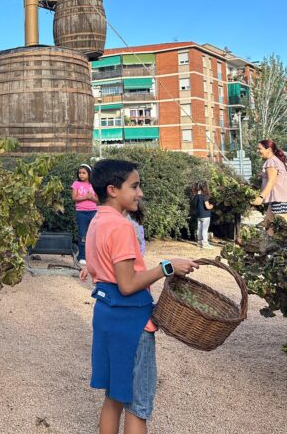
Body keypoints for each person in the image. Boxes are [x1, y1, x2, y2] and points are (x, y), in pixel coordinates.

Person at [79, 159, 197, 434]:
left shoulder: (97, 221)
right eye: (135, 186)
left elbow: (99, 271)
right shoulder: (121, 226)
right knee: (137, 407)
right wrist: (167, 266)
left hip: (107, 316)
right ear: (112, 189)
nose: (140, 193)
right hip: (132, 321)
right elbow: (128, 284)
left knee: (114, 397)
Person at [251, 139, 287, 225]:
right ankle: (269, 238)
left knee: (279, 228)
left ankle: (276, 238)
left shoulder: (271, 162)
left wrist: (261, 197)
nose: (258, 151)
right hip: (278, 198)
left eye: (260, 149)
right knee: (268, 224)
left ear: (268, 149)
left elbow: (271, 181)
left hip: (281, 199)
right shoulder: (275, 160)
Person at [72, 163, 98, 266]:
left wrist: (92, 198)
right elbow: (74, 198)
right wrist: (86, 197)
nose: (81, 175)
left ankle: (93, 257)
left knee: (93, 235)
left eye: (84, 173)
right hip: (81, 213)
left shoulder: (94, 185)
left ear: (89, 173)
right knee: (83, 235)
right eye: (80, 173)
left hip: (93, 212)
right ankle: (82, 256)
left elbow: (99, 200)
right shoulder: (76, 184)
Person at [191, 181, 214, 249]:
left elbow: (194, 206)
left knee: (199, 229)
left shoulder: (196, 196)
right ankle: (205, 244)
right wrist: (212, 205)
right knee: (205, 230)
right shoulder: (205, 196)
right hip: (206, 216)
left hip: (199, 215)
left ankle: (199, 242)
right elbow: (207, 206)